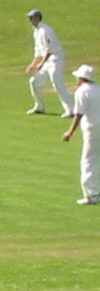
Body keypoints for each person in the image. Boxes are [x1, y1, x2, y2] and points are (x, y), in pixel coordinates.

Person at [26, 9, 74, 117]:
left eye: (31, 18)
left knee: (57, 83)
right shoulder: (36, 31)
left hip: (56, 59)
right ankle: (39, 107)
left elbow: (49, 49)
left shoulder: (45, 30)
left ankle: (71, 110)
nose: (30, 21)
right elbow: (38, 51)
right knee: (34, 82)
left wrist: (41, 64)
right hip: (46, 61)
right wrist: (33, 64)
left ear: (38, 18)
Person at [63, 64, 97, 205]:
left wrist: (70, 131)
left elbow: (79, 114)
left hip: (92, 130)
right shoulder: (98, 90)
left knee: (88, 161)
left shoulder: (82, 92)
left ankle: (91, 195)